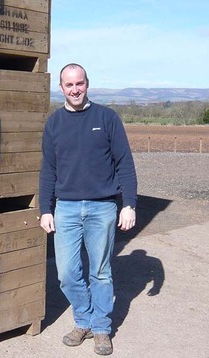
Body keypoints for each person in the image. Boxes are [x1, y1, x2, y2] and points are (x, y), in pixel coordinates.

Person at [39, 63, 137, 356]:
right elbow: (48, 170)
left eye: (79, 83)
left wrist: (129, 204)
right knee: (67, 273)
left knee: (101, 272)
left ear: (87, 84)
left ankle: (101, 327)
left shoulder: (107, 118)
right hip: (66, 208)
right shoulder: (54, 124)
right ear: (61, 89)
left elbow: (125, 165)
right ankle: (83, 318)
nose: (75, 89)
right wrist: (46, 208)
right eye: (69, 85)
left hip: (102, 208)